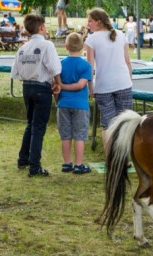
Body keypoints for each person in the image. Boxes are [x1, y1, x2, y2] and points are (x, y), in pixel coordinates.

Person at [11, 14, 62, 177]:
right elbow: (54, 67)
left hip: (27, 87)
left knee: (30, 124)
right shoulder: (47, 45)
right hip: (42, 88)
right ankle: (35, 166)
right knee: (39, 127)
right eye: (45, 26)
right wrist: (58, 83)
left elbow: (15, 72)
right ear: (41, 28)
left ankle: (23, 158)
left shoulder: (23, 48)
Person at [85, 8, 133, 151]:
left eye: (90, 21)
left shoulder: (91, 39)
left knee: (108, 124)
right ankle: (125, 157)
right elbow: (128, 62)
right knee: (125, 123)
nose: (88, 24)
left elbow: (90, 67)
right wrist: (128, 80)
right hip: (123, 83)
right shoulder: (120, 34)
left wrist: (90, 87)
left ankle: (110, 159)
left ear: (98, 22)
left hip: (103, 86)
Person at [57, 33, 92, 174]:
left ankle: (66, 163)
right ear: (82, 47)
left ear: (66, 47)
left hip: (63, 103)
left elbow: (57, 83)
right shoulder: (86, 65)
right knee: (80, 135)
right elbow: (80, 85)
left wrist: (62, 88)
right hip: (80, 105)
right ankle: (78, 165)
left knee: (65, 134)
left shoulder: (61, 64)